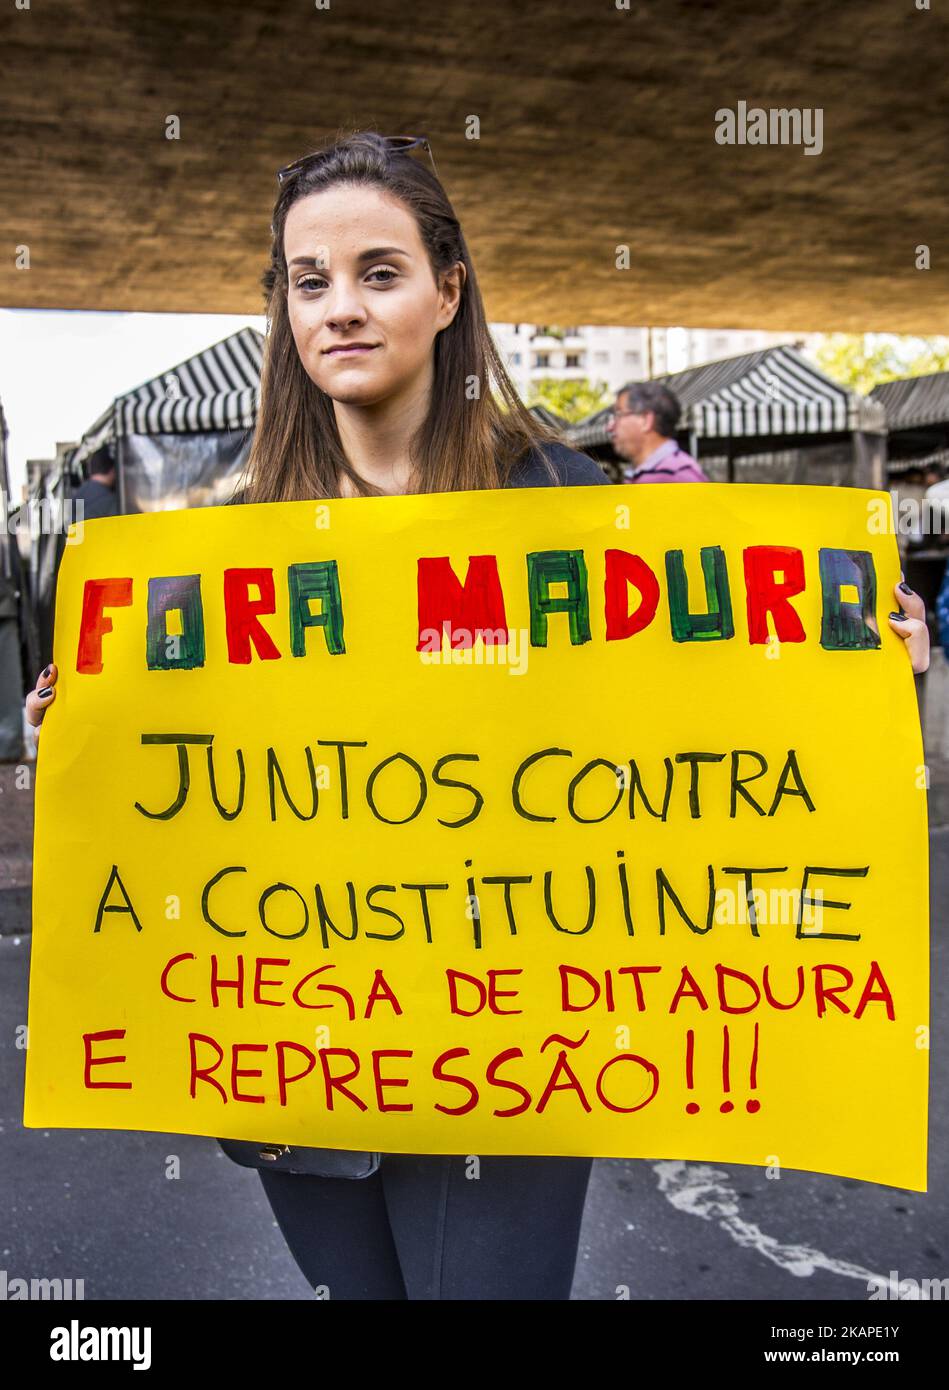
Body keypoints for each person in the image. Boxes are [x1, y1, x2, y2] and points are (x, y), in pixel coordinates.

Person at [23, 131, 932, 1301]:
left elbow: (691, 728)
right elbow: (182, 787)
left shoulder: (561, 500)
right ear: (284, 313)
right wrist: (84, 748)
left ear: (448, 291)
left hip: (505, 1049)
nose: (341, 307)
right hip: (296, 1039)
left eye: (380, 272)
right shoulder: (229, 544)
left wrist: (859, 681)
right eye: (310, 282)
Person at [607, 380, 709, 483]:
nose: (609, 427)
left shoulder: (679, 477)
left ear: (645, 420)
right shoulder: (648, 474)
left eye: (618, 414)